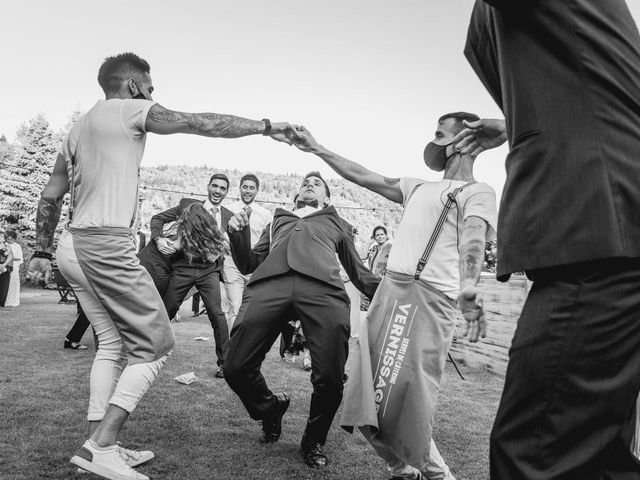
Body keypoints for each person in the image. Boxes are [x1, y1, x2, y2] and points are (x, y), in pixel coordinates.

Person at [26, 52, 296, 480]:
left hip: (71, 246)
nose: (154, 96)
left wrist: (41, 252)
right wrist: (265, 127)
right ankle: (99, 447)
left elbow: (49, 195)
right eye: (151, 89)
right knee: (158, 344)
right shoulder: (130, 108)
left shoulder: (76, 128)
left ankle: (102, 443)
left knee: (112, 346)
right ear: (134, 86)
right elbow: (202, 123)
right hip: (105, 246)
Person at [457, 2, 640, 479]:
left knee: (536, 454)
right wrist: (513, 121)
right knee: (598, 459)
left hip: (597, 232)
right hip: (604, 236)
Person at [290, 112, 497, 480]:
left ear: (462, 138)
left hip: (427, 300)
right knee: (364, 390)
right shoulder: (417, 186)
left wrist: (469, 283)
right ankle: (400, 469)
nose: (433, 137)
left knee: (406, 401)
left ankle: (440, 476)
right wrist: (318, 149)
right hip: (390, 294)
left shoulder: (477, 191)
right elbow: (363, 175)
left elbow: (474, 235)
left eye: (439, 132)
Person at [224, 172, 380, 469]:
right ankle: (271, 408)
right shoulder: (278, 220)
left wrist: (393, 292)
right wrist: (238, 233)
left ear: (327, 198)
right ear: (296, 193)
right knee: (234, 365)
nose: (309, 184)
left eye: (317, 183)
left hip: (323, 291)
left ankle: (313, 439)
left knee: (331, 378)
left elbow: (358, 271)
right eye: (305, 182)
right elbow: (247, 263)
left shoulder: (337, 222)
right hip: (270, 285)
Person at [147, 188, 231, 378]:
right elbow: (170, 240)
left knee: (216, 313)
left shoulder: (213, 233)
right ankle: (149, 350)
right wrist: (161, 240)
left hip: (207, 271)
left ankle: (225, 363)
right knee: (167, 308)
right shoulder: (183, 230)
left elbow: (215, 255)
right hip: (183, 268)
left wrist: (206, 246)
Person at [222, 173, 273, 330]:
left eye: (252, 188)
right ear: (240, 188)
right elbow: (220, 233)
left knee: (252, 309)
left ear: (257, 190)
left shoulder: (265, 214)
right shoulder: (228, 209)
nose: (248, 191)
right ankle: (232, 349)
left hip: (255, 266)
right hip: (232, 262)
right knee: (235, 306)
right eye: (245, 187)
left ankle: (245, 346)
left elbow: (268, 241)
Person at [4, 230, 23, 307]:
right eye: (8, 239)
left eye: (11, 239)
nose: (10, 241)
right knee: (5, 284)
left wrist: (11, 258)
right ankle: (4, 301)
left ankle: (13, 301)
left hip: (14, 266)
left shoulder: (17, 246)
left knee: (13, 284)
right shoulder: (3, 245)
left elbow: (19, 258)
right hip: (4, 266)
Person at [0, 230, 15, 307]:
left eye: (2, 236)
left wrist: (4, 265)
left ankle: (1, 303)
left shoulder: (7, 247)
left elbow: (11, 256)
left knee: (4, 286)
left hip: (5, 268)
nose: (1, 237)